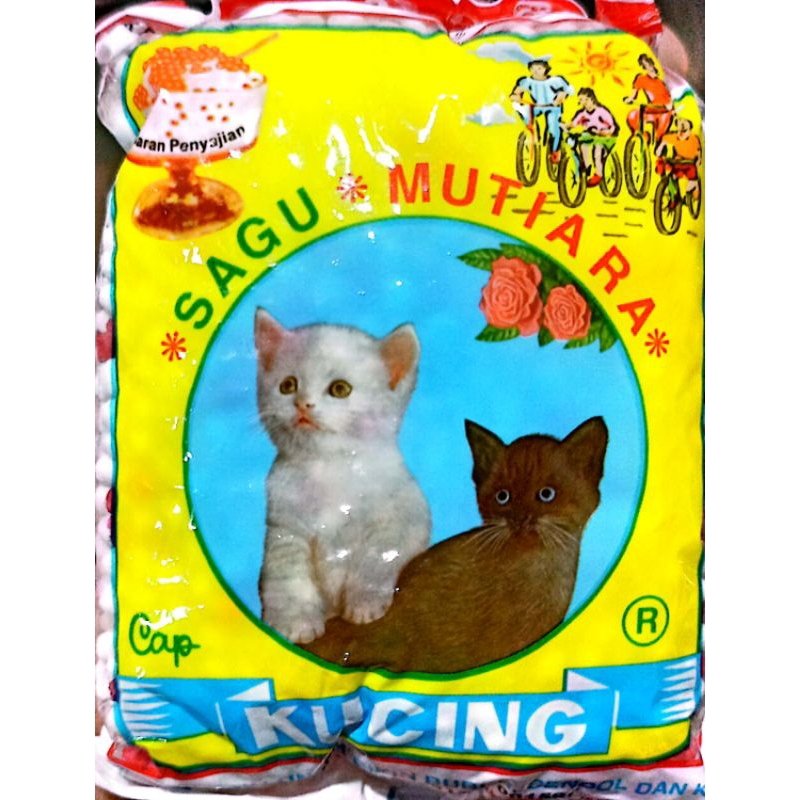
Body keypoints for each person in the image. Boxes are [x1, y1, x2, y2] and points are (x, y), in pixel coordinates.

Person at [510, 57, 573, 163]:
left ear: (545, 69)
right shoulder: (527, 81)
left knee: (553, 126)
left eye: (539, 68)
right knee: (526, 113)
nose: (536, 71)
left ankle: (555, 150)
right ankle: (531, 134)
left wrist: (560, 97)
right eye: (533, 68)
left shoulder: (555, 80)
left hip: (552, 107)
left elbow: (567, 90)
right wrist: (516, 96)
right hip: (537, 106)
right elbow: (516, 92)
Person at [565, 87, 619, 187]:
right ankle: (587, 167)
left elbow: (613, 127)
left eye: (581, 99)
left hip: (605, 137)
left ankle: (598, 174)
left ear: (589, 99)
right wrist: (563, 126)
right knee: (583, 145)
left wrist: (603, 132)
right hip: (592, 136)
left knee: (597, 150)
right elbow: (573, 124)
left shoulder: (601, 112)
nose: (580, 102)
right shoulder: (582, 114)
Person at [623, 53, 673, 144]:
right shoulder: (641, 79)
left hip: (664, 111)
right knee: (632, 115)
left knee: (660, 132)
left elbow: (671, 97)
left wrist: (670, 105)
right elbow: (633, 95)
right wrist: (629, 99)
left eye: (648, 64)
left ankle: (657, 142)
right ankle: (643, 137)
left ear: (652, 64)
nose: (648, 67)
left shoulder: (662, 81)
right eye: (645, 65)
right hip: (650, 109)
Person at [654, 116, 702, 197]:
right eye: (679, 130)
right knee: (672, 177)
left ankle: (694, 189)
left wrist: (698, 159)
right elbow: (664, 142)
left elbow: (698, 151)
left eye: (684, 130)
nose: (681, 133)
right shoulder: (674, 137)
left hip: (689, 164)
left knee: (692, 180)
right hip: (678, 164)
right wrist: (661, 146)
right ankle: (674, 198)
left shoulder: (693, 139)